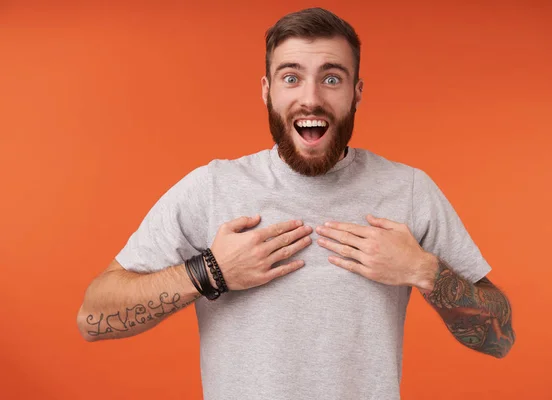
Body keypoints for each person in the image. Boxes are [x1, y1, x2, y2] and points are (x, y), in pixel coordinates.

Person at [77, 7, 515, 399]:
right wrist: (210, 272)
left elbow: (500, 337)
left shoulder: (409, 190)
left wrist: (422, 270)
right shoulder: (212, 187)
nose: (311, 98)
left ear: (356, 92)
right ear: (267, 90)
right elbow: (93, 318)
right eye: (291, 77)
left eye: (331, 78)